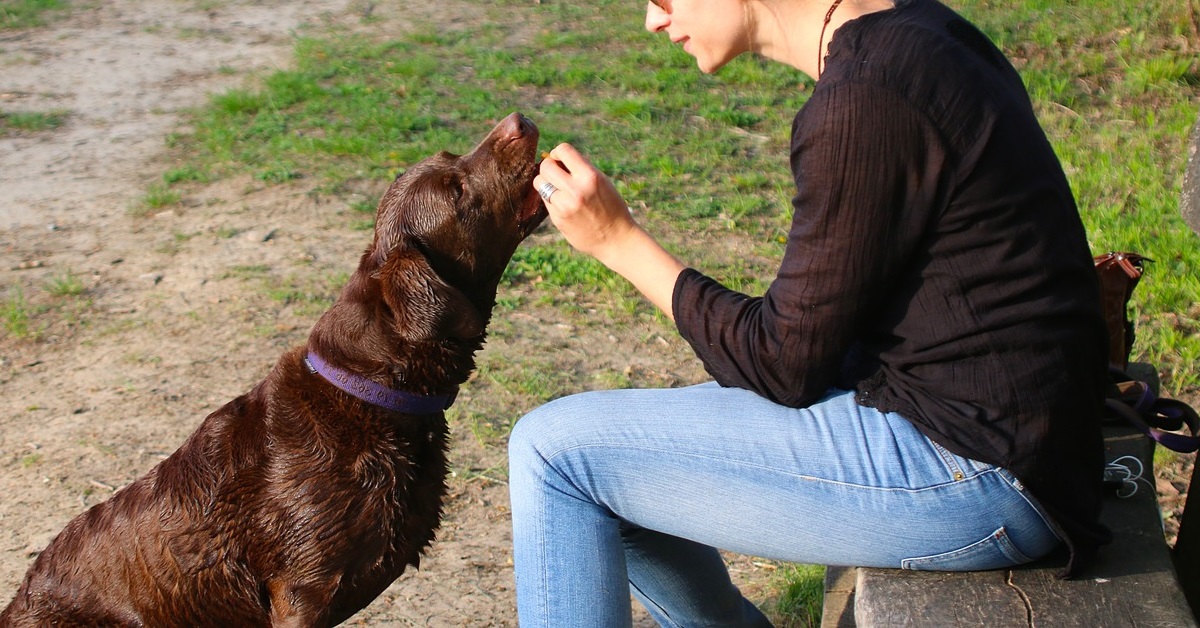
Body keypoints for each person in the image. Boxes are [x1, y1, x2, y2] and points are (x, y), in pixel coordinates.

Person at [509, 0, 1112, 624]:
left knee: (553, 454)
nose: (653, 21)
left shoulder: (865, 98)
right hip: (1018, 444)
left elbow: (784, 364)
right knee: (612, 451)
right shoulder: (920, 34)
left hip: (979, 472)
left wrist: (617, 241)